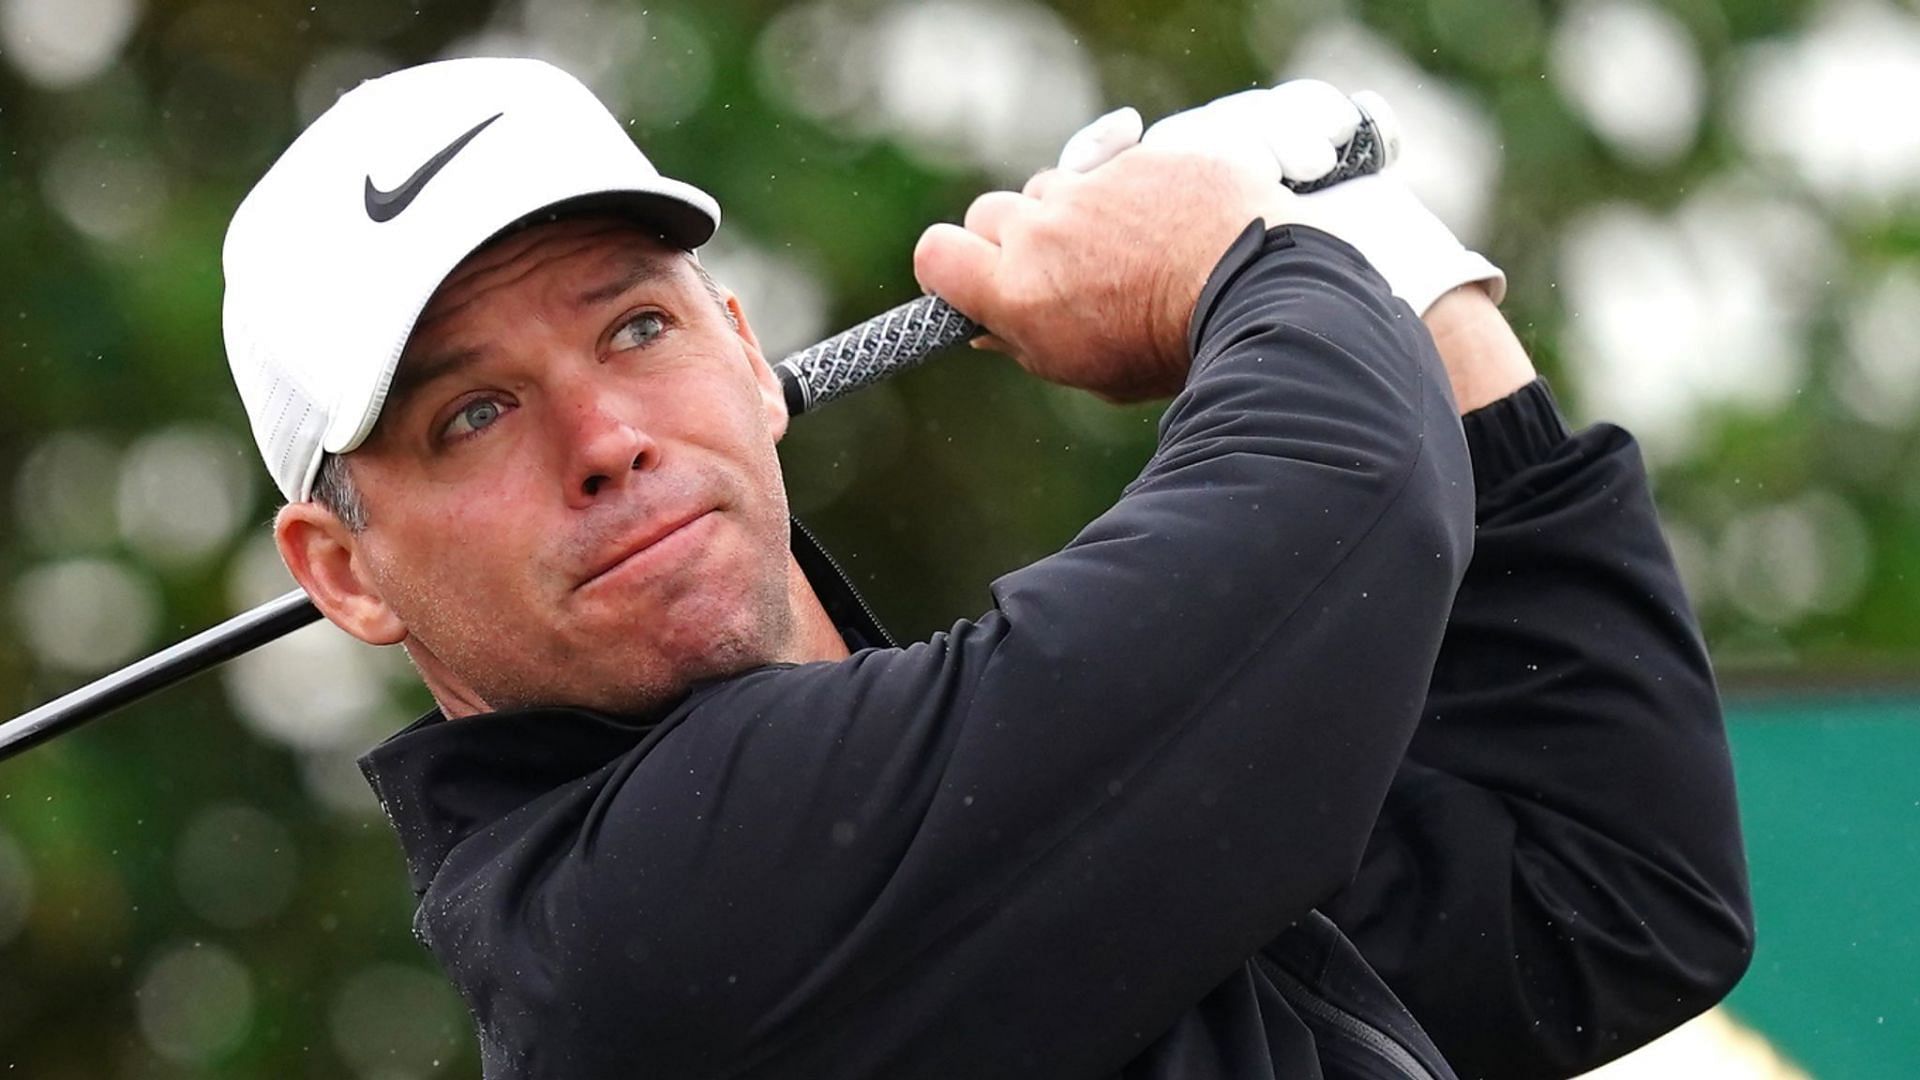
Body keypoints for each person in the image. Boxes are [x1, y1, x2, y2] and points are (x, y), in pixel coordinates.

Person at [222, 58, 1751, 1078]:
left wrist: (1390, 255)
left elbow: (1601, 884)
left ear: (750, 362)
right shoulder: (643, 932)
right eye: (473, 412)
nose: (606, 434)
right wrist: (1249, 259)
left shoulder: (1009, 847)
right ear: (343, 572)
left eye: (636, 327)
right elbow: (1331, 515)